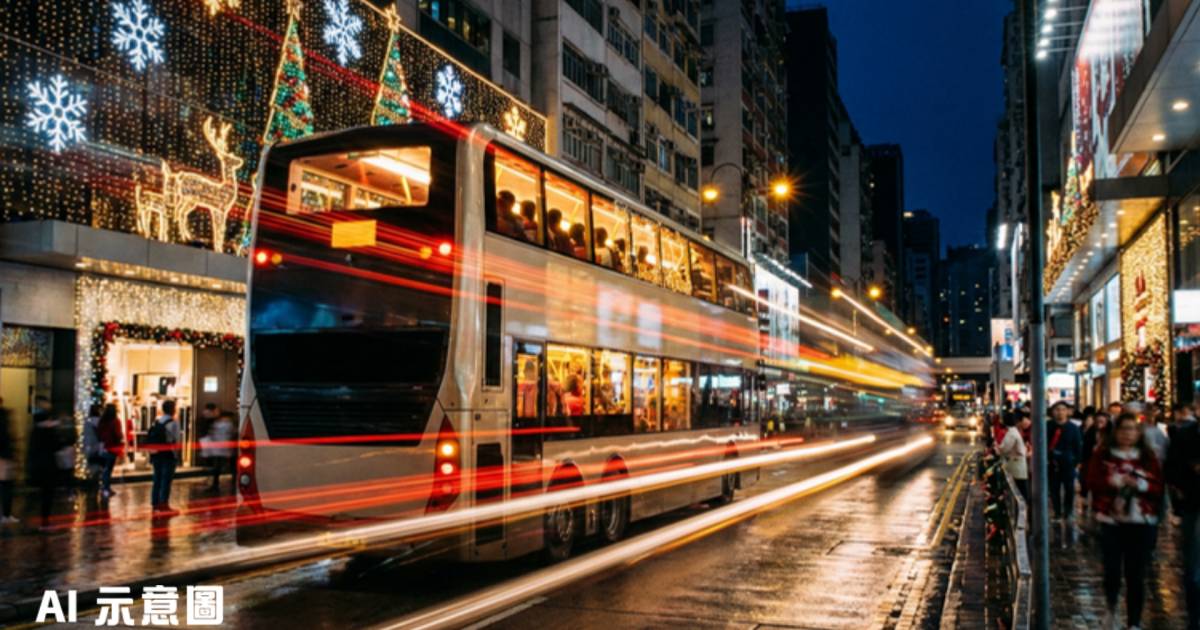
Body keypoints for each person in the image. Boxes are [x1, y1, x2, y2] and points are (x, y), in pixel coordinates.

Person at [1087, 413, 1165, 630]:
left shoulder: (1148, 457)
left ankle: (1134, 622)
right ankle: (1111, 608)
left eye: (1132, 429)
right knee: (1112, 570)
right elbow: (1093, 481)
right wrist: (1115, 481)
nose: (1127, 434)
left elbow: (1158, 488)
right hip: (1111, 521)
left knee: (1136, 574)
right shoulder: (1103, 455)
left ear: (1138, 432)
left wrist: (1141, 486)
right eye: (1123, 429)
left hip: (1141, 522)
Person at [1167, 400, 1200, 630]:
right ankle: (1194, 618)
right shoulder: (1185, 435)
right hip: (1195, 504)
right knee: (1193, 569)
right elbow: (1173, 468)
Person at [29, 396, 63, 528]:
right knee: (47, 494)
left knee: (45, 494)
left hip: (39, 464)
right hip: (48, 465)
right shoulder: (48, 430)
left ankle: (45, 520)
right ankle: (45, 521)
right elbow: (56, 445)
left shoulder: (36, 430)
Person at [1047, 400, 1083, 522]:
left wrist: (1076, 462)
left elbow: (1078, 447)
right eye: (1057, 410)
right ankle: (1057, 512)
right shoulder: (1047, 426)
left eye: (1063, 409)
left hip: (1068, 463)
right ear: (1053, 412)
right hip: (1051, 463)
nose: (1060, 412)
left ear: (1068, 412)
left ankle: (1068, 512)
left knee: (1069, 489)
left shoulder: (1073, 428)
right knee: (1054, 489)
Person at [147, 400, 180, 515]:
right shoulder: (174, 423)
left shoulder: (157, 421)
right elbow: (176, 440)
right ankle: (164, 504)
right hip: (168, 454)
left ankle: (155, 503)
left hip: (157, 454)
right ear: (173, 409)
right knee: (166, 480)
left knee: (157, 478)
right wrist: (177, 456)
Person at [997, 413, 1029, 503]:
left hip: (1017, 466)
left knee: (1020, 490)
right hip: (1018, 465)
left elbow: (1004, 448)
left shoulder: (1012, 433)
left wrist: (999, 448)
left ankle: (1025, 512)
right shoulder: (1014, 432)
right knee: (1021, 489)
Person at [96, 404, 123, 497]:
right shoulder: (115, 421)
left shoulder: (102, 421)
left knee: (104, 469)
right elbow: (118, 434)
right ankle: (106, 488)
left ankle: (104, 487)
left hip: (102, 447)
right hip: (112, 447)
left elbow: (98, 433)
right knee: (108, 469)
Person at [205, 411, 235, 492]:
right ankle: (234, 484)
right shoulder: (230, 425)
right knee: (232, 467)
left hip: (217, 450)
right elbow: (232, 435)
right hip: (227, 449)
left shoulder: (216, 424)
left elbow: (211, 435)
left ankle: (215, 484)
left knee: (216, 468)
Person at [0, 399, 15, 524]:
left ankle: (5, 515)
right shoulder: (3, 417)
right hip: (4, 456)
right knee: (6, 486)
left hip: (4, 456)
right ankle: (5, 515)